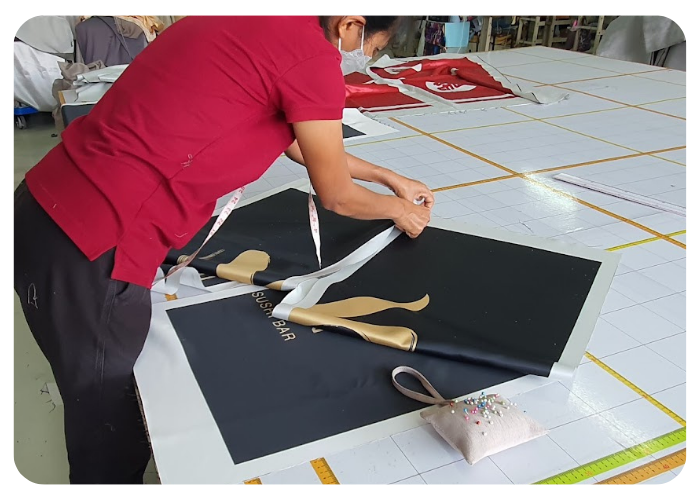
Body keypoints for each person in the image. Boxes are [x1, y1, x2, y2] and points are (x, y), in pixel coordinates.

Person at [13, 15, 434, 485]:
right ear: (351, 24)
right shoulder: (313, 57)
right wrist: (399, 210)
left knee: (92, 392)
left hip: (43, 205)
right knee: (109, 420)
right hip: (93, 245)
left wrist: (387, 177)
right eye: (372, 47)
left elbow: (302, 141)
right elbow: (336, 195)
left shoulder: (254, 23)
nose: (366, 58)